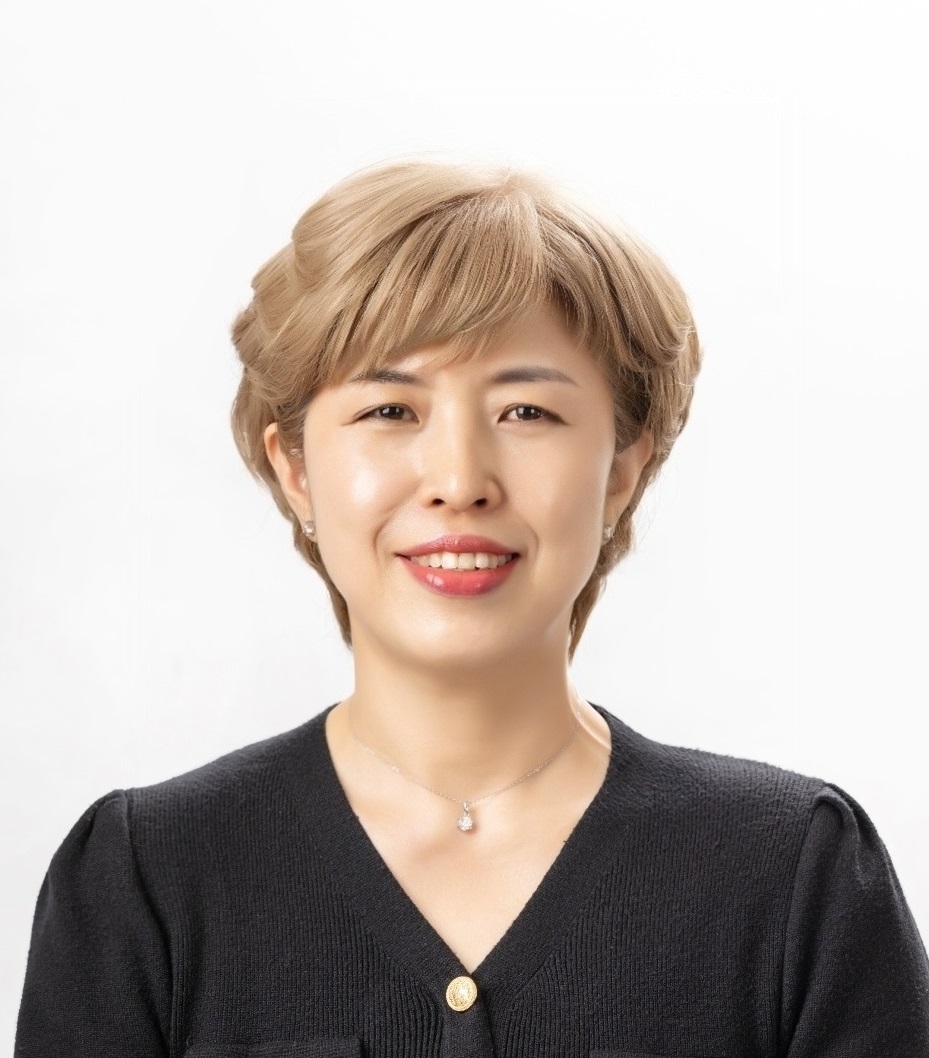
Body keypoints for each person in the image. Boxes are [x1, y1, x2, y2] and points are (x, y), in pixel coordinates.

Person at [16, 159, 929, 1058]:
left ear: (622, 469)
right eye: (389, 411)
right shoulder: (144, 881)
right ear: (295, 468)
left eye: (526, 412)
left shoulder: (793, 877)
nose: (459, 482)